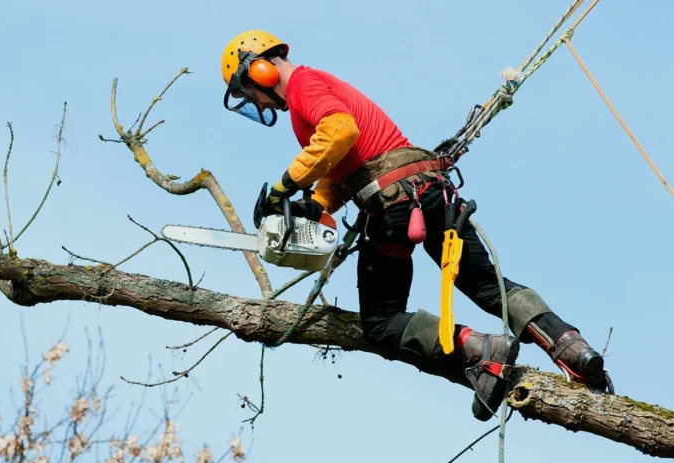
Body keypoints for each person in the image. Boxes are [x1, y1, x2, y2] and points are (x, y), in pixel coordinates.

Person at [220, 30, 614, 420]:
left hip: (393, 206)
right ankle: (571, 346)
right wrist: (316, 204)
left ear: (259, 71)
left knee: (382, 321)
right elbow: (340, 165)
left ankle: (479, 350)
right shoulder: (316, 88)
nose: (254, 100)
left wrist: (284, 186)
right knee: (483, 282)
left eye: (246, 90)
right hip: (430, 194)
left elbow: (340, 131)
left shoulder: (304, 84)